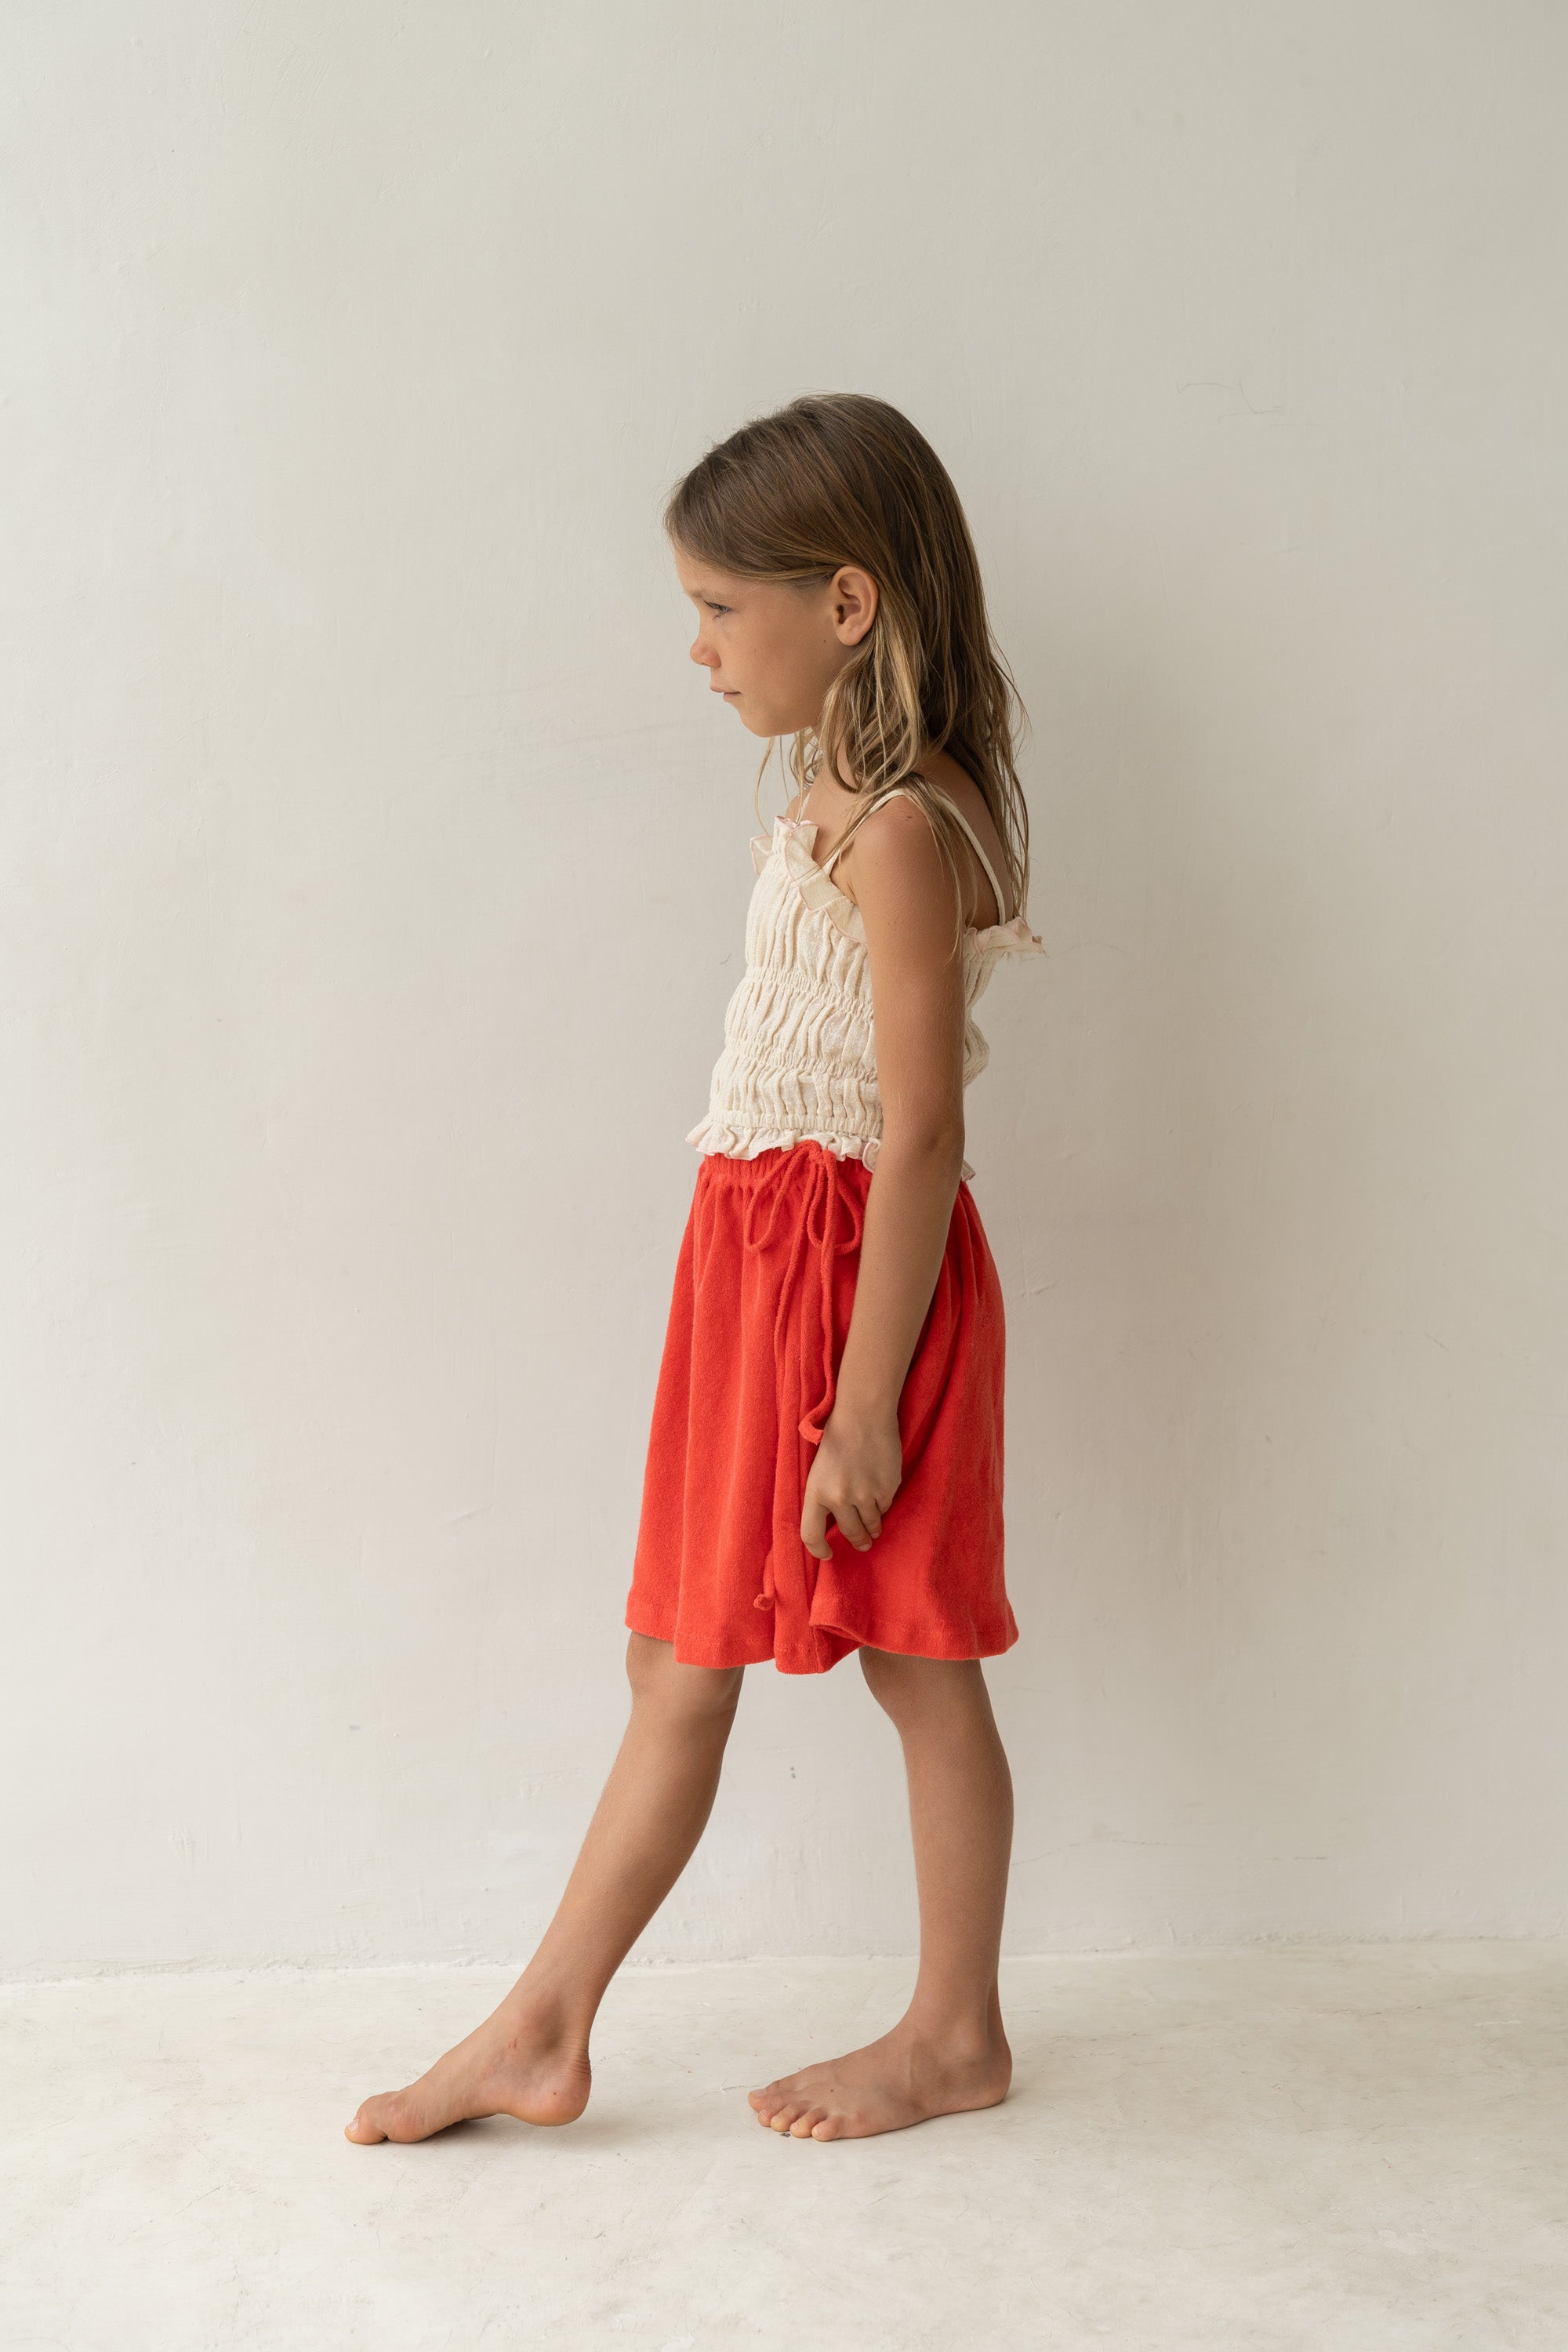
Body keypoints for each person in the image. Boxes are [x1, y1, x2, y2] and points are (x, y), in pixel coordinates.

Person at [347, 392, 1043, 2148]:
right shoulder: (835, 795)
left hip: (839, 1285)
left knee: (906, 1654)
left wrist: (863, 1400)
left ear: (849, 604)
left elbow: (921, 1133)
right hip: (755, 1257)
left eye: (723, 610)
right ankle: (545, 2026)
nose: (699, 649)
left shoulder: (897, 824)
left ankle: (940, 2032)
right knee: (679, 1650)